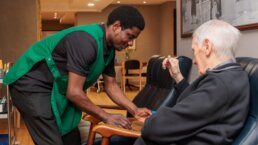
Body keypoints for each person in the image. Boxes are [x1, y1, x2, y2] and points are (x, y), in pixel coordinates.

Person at [3, 5, 151, 145]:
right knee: (51, 140)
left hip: (55, 87)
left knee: (71, 136)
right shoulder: (86, 42)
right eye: (130, 36)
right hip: (29, 84)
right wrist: (106, 116)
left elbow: (111, 84)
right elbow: (74, 93)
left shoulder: (110, 49)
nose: (131, 43)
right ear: (116, 26)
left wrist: (135, 110)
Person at [134, 19, 250, 145]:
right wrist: (178, 76)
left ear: (207, 46)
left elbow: (160, 126)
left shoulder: (221, 84)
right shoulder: (230, 75)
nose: (194, 60)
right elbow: (197, 105)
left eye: (194, 51)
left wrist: (150, 121)